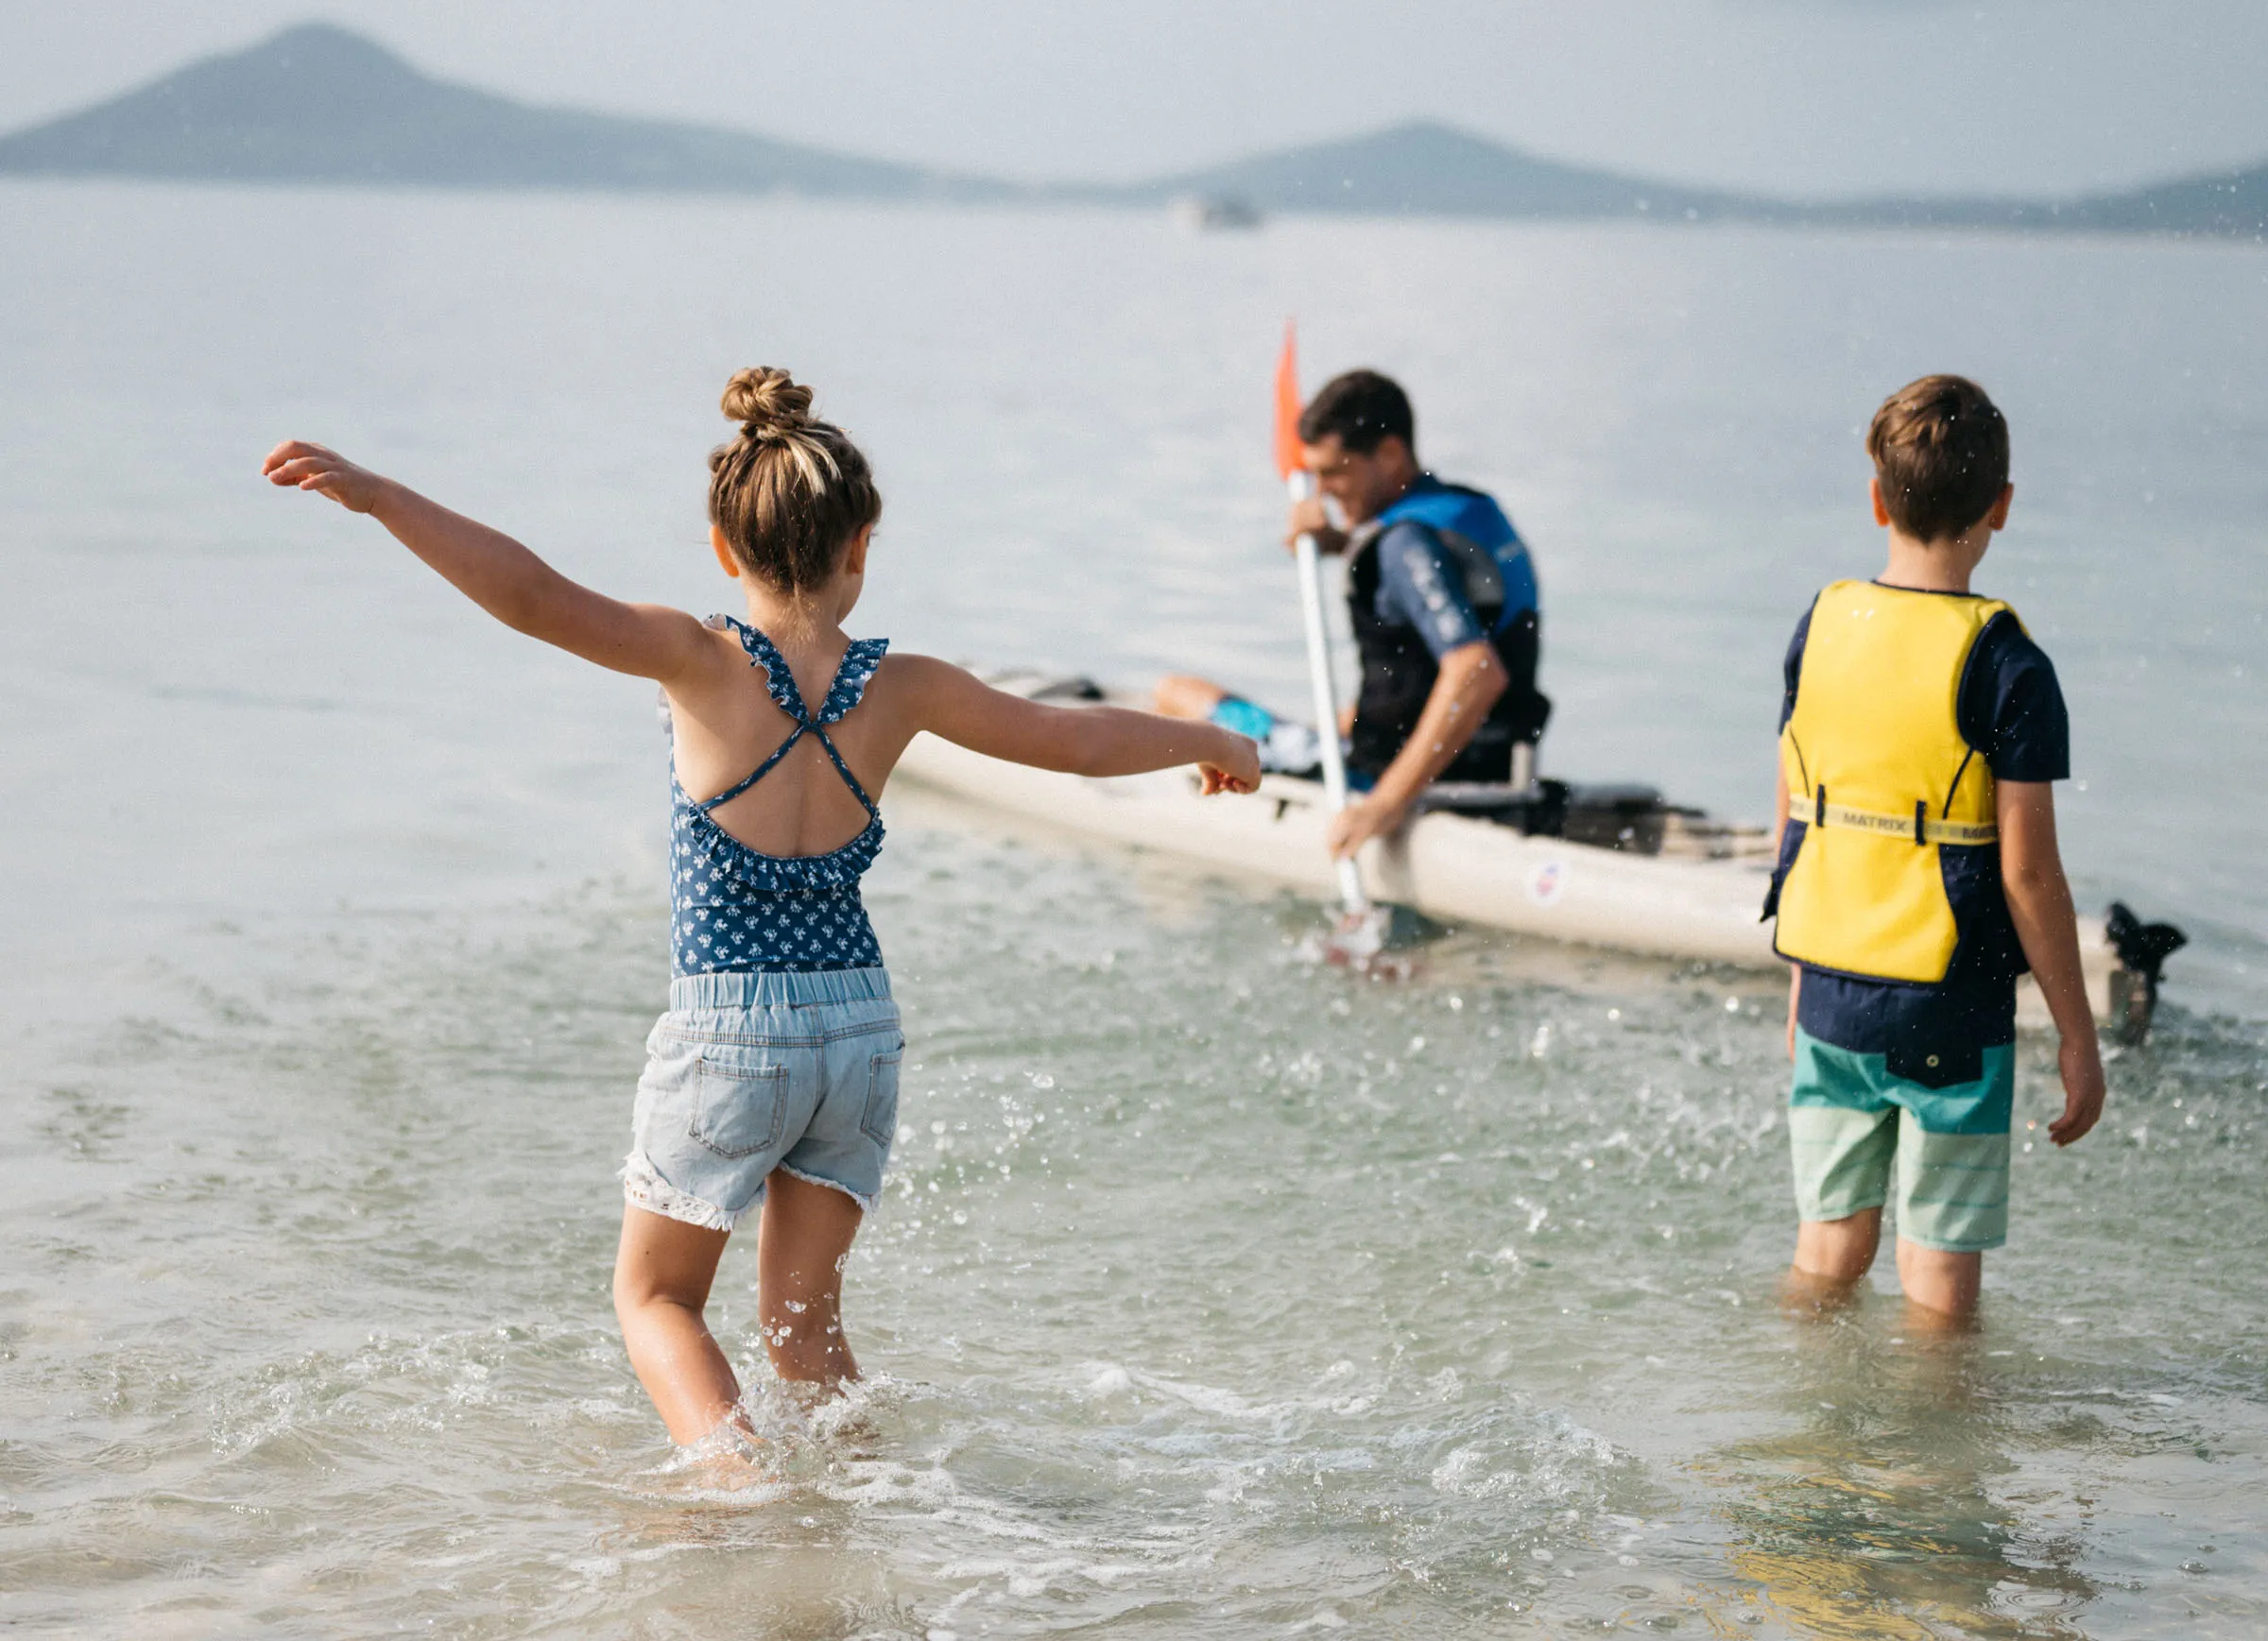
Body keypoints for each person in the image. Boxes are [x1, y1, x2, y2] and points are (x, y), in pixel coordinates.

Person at [262, 368, 1261, 1447]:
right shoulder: (906, 686)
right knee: (804, 1331)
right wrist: (1211, 741)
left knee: (657, 1301)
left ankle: (737, 1491)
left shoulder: (695, 660)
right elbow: (1074, 743)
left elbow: (534, 599)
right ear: (861, 548)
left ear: (723, 549)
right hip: (859, 1033)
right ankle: (868, 1501)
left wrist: (382, 498)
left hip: (734, 1030)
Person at [1763, 374, 2105, 1324]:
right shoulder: (2007, 665)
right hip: (1950, 1007)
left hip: (1831, 986)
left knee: (1827, 1249)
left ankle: (1804, 1446)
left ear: (1878, 498)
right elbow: (2029, 873)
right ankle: (1932, 1471)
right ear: (2002, 507)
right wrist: (2079, 1036)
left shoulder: (1821, 624)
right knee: (1939, 1276)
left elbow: (1799, 812)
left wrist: (1798, 978)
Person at [1155, 368, 1548, 861]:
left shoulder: (1404, 543)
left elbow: (1476, 672)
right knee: (1341, 718)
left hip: (1390, 776)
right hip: (1495, 762)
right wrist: (1340, 545)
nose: (1321, 492)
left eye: (1332, 472)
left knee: (1175, 693)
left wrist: (1381, 805)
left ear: (1388, 455)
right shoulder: (1467, 512)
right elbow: (1432, 586)